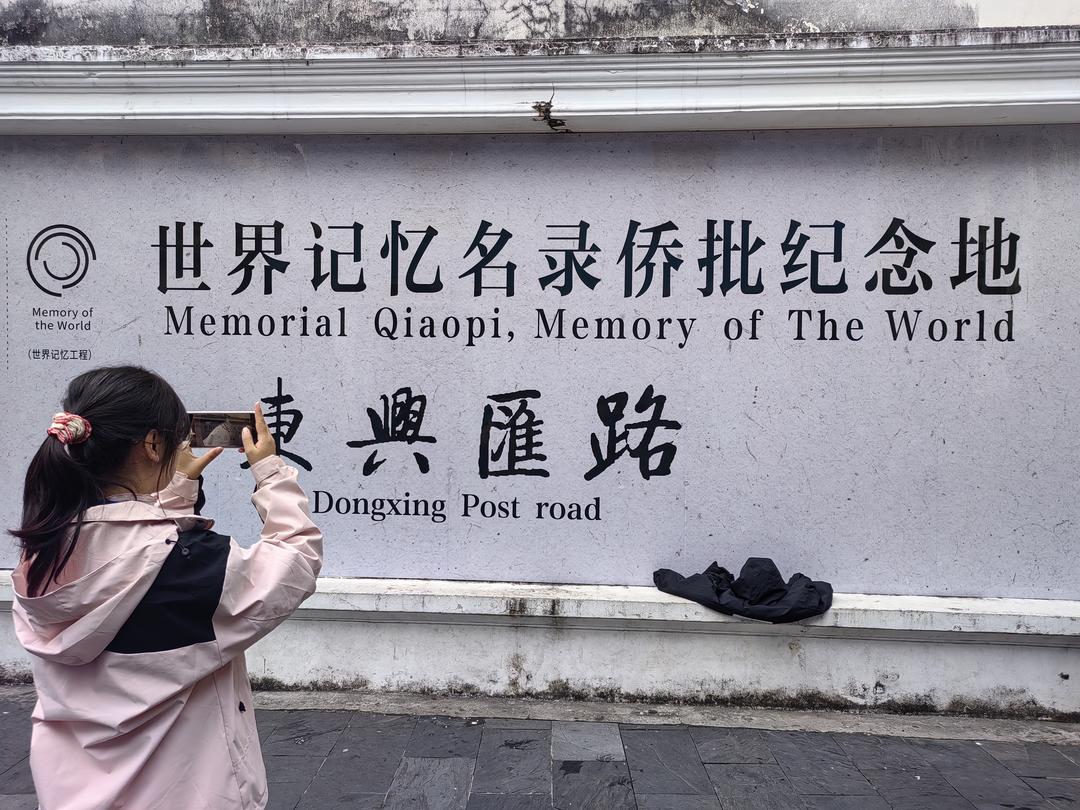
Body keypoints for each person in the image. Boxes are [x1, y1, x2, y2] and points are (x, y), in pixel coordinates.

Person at [7, 365, 324, 809]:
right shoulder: (188, 567)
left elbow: (131, 553)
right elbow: (295, 561)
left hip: (71, 790)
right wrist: (270, 472)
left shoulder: (44, 552)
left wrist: (175, 491)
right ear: (154, 444)